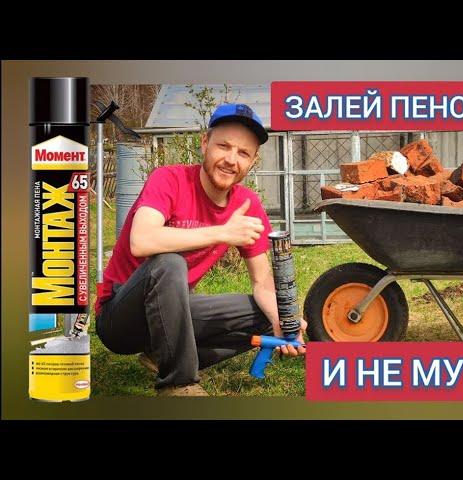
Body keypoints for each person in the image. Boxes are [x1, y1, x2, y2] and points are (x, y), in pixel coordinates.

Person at [95, 103, 307, 396]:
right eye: (223, 146)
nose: (231, 160)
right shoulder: (169, 179)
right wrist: (221, 232)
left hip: (172, 314)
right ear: (205, 143)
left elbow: (261, 281)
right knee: (169, 263)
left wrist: (284, 321)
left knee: (266, 314)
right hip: (121, 318)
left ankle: (164, 357)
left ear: (253, 161)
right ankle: (179, 383)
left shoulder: (248, 205)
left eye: (243, 153)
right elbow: (141, 240)